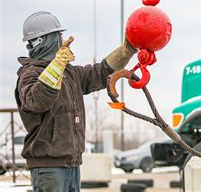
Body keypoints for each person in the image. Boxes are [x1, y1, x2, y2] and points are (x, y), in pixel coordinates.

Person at [14, 11, 137, 192]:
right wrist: (56, 66)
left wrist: (127, 50)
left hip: (71, 163)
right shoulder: (30, 74)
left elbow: (100, 72)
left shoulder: (69, 73)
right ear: (45, 40)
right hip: (48, 167)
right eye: (58, 36)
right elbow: (37, 101)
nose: (62, 40)